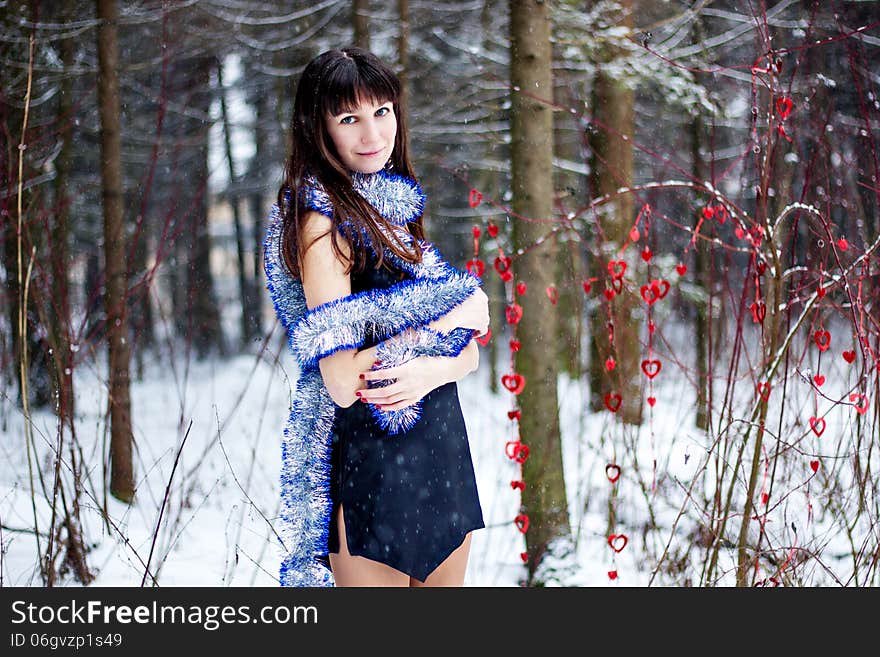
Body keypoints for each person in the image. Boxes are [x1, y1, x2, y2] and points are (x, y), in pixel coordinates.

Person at [265, 47, 490, 587]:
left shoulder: (389, 205)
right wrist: (440, 332)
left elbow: (469, 351)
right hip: (374, 459)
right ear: (317, 128)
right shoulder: (322, 225)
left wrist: (434, 368)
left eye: (382, 111)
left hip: (437, 449)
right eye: (349, 119)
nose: (373, 134)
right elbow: (340, 380)